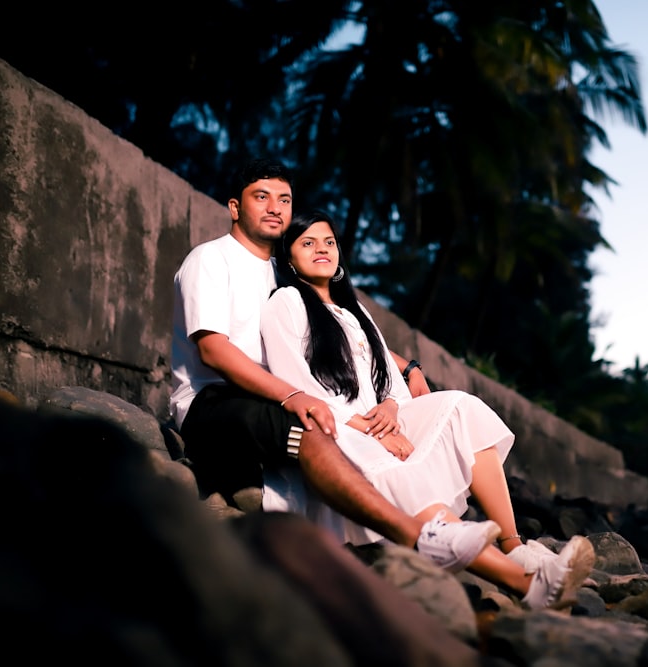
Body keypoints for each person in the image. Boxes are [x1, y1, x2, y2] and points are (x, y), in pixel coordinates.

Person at [169, 157, 500, 573]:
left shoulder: (284, 271)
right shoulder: (211, 259)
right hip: (212, 401)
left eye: (284, 199)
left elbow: (350, 335)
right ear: (235, 207)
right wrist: (295, 395)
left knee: (385, 423)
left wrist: (409, 367)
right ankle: (417, 535)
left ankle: (495, 545)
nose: (275, 207)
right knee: (317, 427)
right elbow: (214, 351)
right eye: (261, 197)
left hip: (269, 398)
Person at [258, 209, 596, 609]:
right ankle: (527, 583)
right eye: (308, 243)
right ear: (291, 259)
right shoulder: (286, 303)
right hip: (338, 427)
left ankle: (512, 544)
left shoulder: (356, 312)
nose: (322, 250)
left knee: (459, 407)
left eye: (329, 242)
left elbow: (389, 379)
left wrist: (391, 411)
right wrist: (370, 429)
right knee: (397, 473)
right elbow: (298, 386)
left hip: (384, 421)